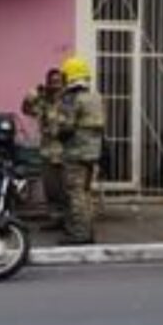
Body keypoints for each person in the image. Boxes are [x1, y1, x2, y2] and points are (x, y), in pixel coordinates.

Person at [57, 56, 105, 245]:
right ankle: (87, 231)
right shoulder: (95, 96)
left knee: (75, 193)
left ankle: (79, 235)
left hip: (76, 153)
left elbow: (66, 127)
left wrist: (59, 133)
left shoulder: (71, 98)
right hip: (93, 152)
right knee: (86, 194)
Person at [21, 68, 66, 229]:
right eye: (53, 81)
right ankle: (56, 220)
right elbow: (26, 110)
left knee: (67, 190)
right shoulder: (44, 101)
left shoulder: (69, 100)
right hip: (48, 152)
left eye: (58, 81)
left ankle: (70, 222)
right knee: (51, 189)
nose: (56, 84)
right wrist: (29, 98)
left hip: (66, 153)